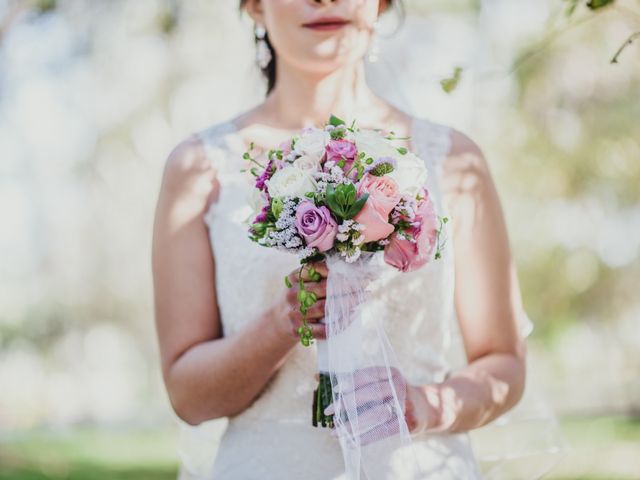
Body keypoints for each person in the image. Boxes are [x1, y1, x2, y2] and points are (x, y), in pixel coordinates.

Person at [151, 0, 530, 478]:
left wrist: (424, 406)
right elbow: (188, 397)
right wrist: (284, 321)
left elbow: (504, 363)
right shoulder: (198, 168)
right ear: (254, 7)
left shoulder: (454, 160)